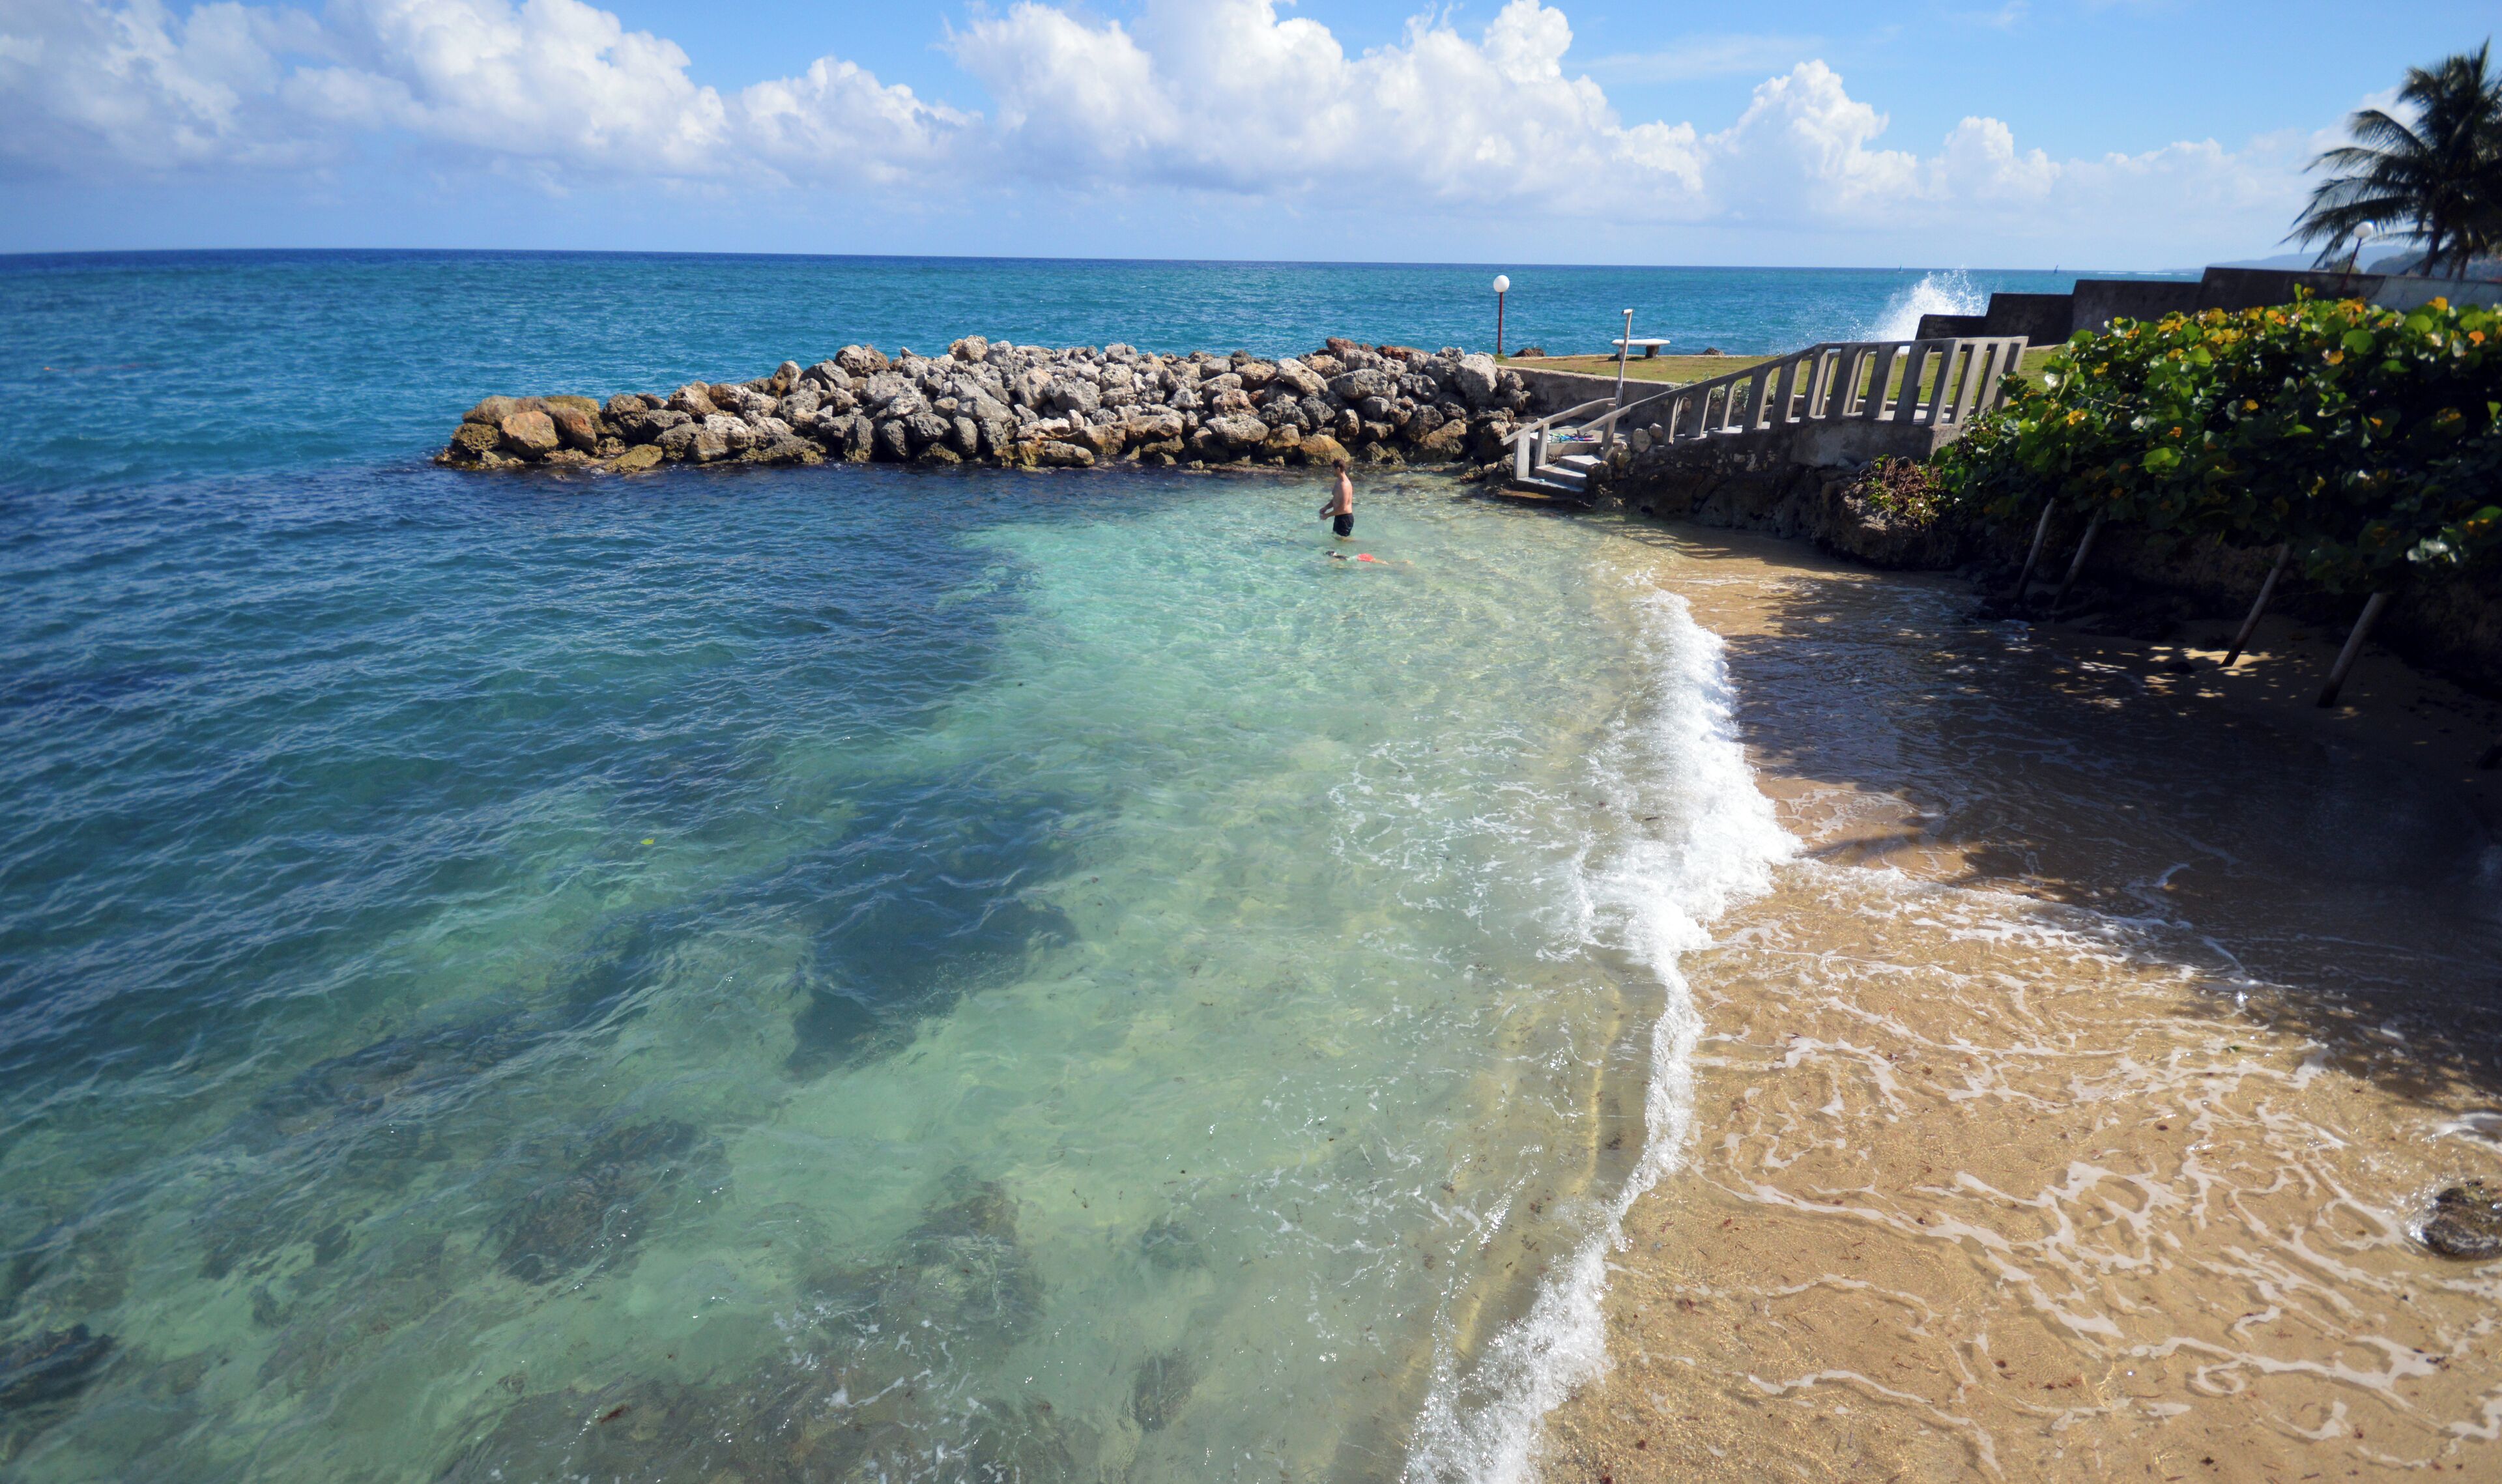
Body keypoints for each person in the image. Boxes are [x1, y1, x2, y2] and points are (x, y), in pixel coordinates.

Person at [1319, 459, 1355, 539]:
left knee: (1343, 542)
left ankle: (1364, 545)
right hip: (1339, 516)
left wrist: (1327, 516)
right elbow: (1336, 499)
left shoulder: (1344, 485)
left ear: (1338, 469)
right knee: (1336, 540)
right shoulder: (1338, 481)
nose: (1332, 471)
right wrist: (1326, 508)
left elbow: (1343, 508)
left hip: (1345, 518)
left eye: (1333, 469)